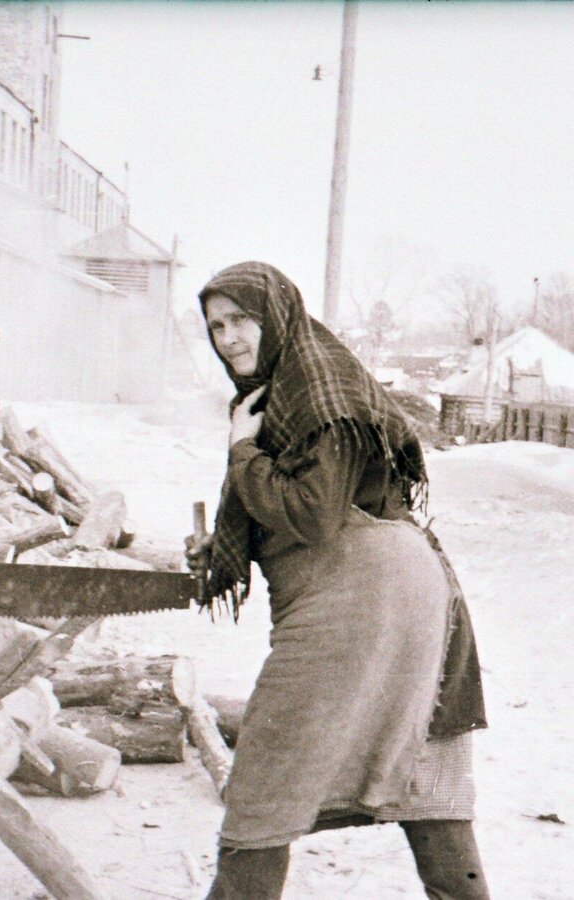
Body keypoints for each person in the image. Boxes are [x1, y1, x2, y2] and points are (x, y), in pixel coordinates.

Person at [185, 262, 489, 898]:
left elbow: (313, 513)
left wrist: (242, 453)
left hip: (363, 592)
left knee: (266, 778)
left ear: (277, 317)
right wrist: (225, 547)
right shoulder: (279, 393)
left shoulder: (321, 387)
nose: (229, 338)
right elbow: (309, 503)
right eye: (216, 327)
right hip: (398, 589)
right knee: (421, 771)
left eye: (241, 319)